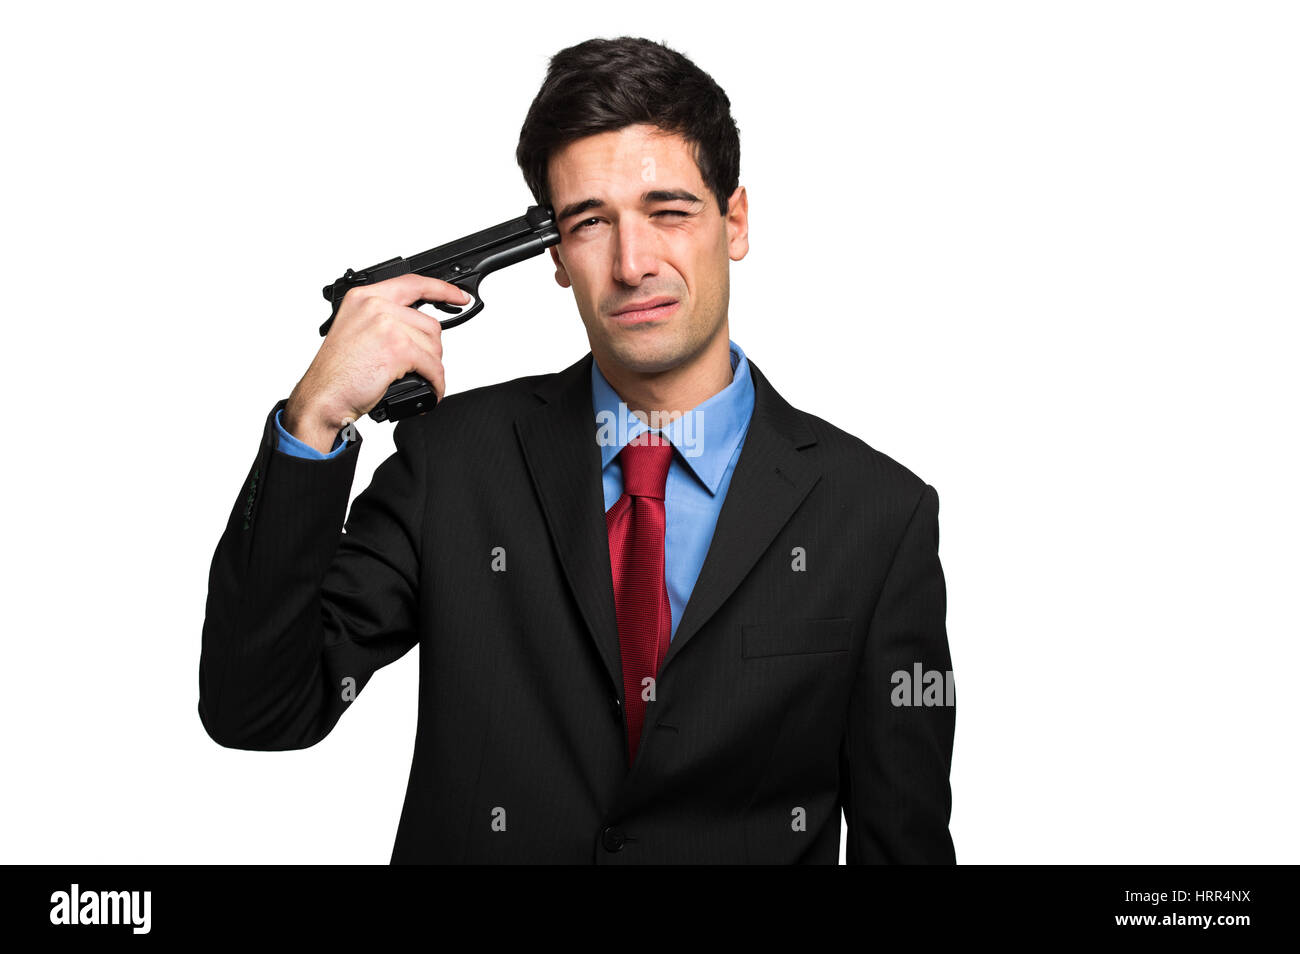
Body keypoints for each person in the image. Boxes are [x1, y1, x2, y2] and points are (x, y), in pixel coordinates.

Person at [199, 35, 956, 864]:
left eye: (668, 211)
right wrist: (315, 418)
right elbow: (258, 711)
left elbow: (904, 846)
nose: (633, 265)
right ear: (556, 255)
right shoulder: (450, 464)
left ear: (734, 222)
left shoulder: (879, 516)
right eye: (592, 223)